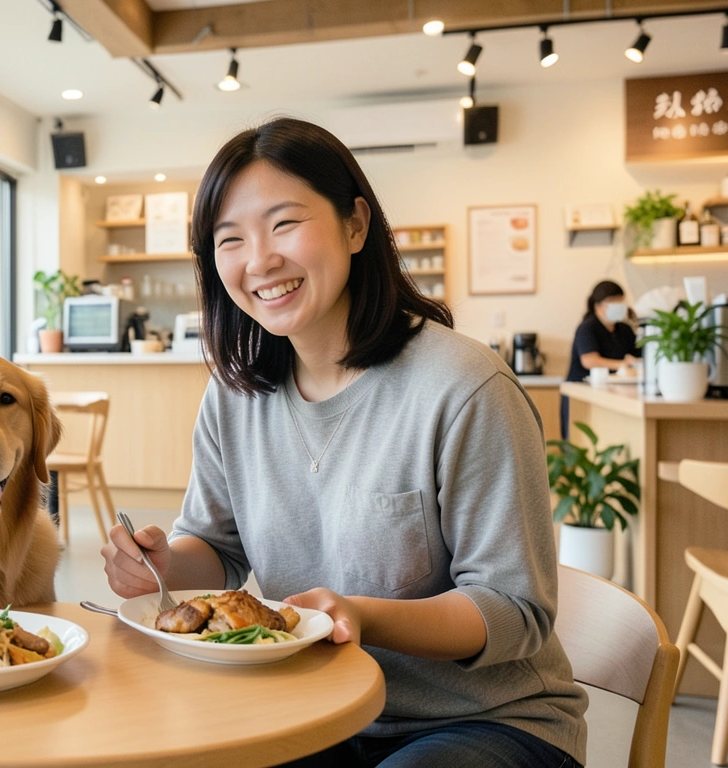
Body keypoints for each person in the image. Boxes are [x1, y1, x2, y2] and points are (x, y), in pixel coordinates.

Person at [100, 118, 586, 768]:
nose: (260, 260)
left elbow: (513, 609)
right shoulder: (234, 394)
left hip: (482, 721)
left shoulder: (463, 387)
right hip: (311, 708)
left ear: (356, 225)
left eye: (284, 224)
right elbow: (217, 547)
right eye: (230, 240)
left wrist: (360, 614)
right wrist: (159, 564)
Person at [561, 280, 639, 439]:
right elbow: (589, 360)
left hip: (612, 393)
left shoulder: (624, 330)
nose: (618, 305)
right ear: (598, 305)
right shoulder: (588, 327)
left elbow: (637, 357)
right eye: (612, 301)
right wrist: (623, 364)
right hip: (581, 393)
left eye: (620, 300)